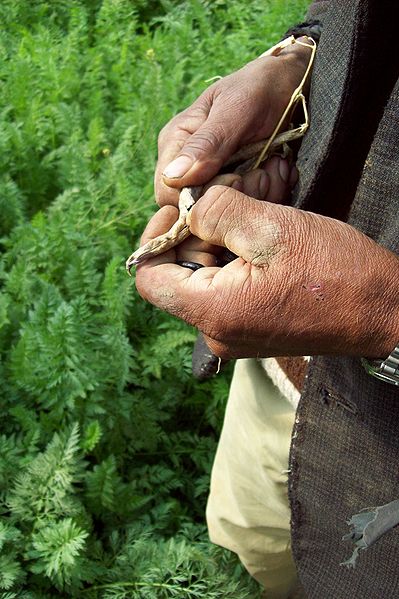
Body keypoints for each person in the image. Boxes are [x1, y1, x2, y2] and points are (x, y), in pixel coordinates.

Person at [135, 1, 399, 597]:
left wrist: (386, 315)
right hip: (283, 371)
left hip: (384, 461)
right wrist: (302, 60)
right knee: (250, 543)